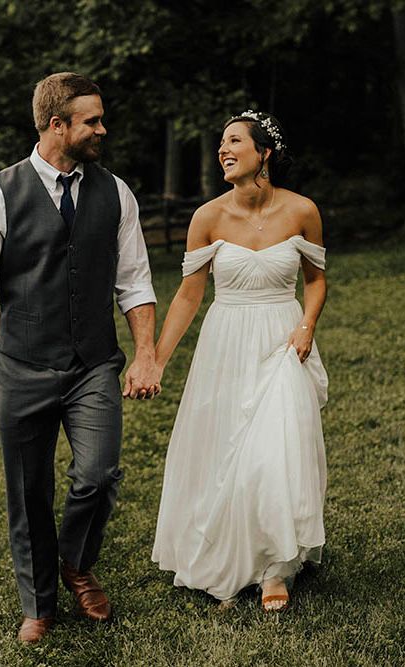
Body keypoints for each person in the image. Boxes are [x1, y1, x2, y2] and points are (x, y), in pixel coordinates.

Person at [0, 72, 160, 643]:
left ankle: (75, 562)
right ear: (57, 125)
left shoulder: (117, 193)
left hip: (93, 366)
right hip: (22, 369)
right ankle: (38, 604)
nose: (102, 129)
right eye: (92, 121)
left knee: (99, 473)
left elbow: (134, 282)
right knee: (28, 491)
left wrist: (145, 354)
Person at [151, 110, 328, 612]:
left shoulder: (301, 211)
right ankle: (233, 551)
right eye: (220, 144)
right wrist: (157, 360)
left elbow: (316, 279)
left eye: (234, 142)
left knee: (278, 446)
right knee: (226, 450)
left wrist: (306, 327)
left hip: (281, 339)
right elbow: (188, 295)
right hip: (226, 342)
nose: (223, 151)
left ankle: (277, 567)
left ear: (263, 153)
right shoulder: (207, 217)